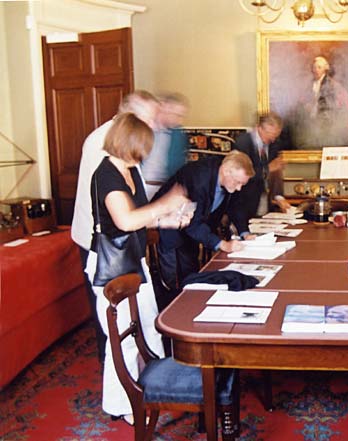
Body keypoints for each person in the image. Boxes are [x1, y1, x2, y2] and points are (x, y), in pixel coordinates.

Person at [83, 112, 190, 423]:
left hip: (132, 260)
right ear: (129, 143)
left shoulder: (130, 170)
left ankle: (151, 395)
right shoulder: (106, 175)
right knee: (123, 341)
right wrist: (165, 204)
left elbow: (140, 217)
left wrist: (168, 219)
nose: (147, 152)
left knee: (145, 329)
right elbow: (126, 220)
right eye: (144, 145)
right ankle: (128, 406)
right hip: (110, 266)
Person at [71, 90, 159, 363]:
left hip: (126, 242)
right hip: (104, 245)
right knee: (113, 324)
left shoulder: (127, 140)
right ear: (129, 115)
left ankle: (141, 373)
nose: (153, 125)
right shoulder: (103, 143)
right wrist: (161, 209)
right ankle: (119, 379)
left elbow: (135, 191)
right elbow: (114, 204)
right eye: (149, 118)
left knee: (137, 317)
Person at [153, 150, 256, 298]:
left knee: (192, 276)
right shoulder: (199, 178)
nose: (239, 187)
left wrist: (245, 233)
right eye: (238, 182)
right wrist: (222, 244)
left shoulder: (229, 180)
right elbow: (193, 224)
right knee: (175, 284)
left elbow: (236, 206)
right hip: (171, 227)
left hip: (194, 230)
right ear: (227, 171)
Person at [233, 111, 291, 217]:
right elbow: (240, 173)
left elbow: (275, 172)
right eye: (271, 135)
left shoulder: (274, 144)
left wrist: (279, 197)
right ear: (259, 128)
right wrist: (267, 169)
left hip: (265, 202)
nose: (273, 139)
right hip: (244, 202)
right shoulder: (243, 142)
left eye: (276, 136)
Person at [292, 55, 348, 149]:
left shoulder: (333, 85)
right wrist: (306, 106)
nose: (316, 70)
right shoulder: (310, 84)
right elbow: (301, 101)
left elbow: (346, 105)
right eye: (314, 67)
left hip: (327, 124)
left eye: (319, 67)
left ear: (325, 69)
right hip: (311, 123)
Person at [140, 93, 190, 200]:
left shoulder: (178, 134)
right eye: (177, 115)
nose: (179, 120)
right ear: (165, 107)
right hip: (141, 186)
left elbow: (179, 165)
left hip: (165, 189)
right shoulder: (144, 128)